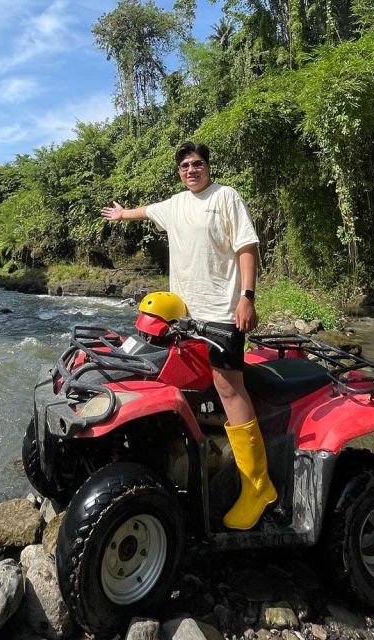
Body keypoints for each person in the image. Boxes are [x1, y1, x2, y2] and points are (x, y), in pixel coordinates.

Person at [100, 141, 276, 530]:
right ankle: (195, 461)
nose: (191, 170)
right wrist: (121, 213)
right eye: (184, 166)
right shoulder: (176, 205)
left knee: (229, 389)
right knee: (185, 383)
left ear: (208, 167)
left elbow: (247, 248)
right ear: (179, 172)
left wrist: (247, 298)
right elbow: (146, 212)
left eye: (197, 164)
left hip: (222, 315)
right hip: (184, 318)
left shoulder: (225, 197)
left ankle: (258, 485)